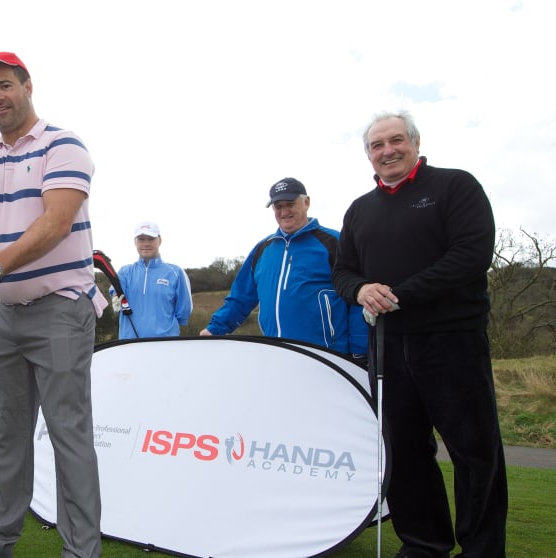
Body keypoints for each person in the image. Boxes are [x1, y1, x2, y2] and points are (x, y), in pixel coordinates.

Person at [0, 51, 104, 558]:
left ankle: (80, 551)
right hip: (7, 316)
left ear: (28, 86)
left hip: (61, 308)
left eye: (5, 85)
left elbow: (55, 223)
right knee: (7, 436)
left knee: (68, 436)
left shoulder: (65, 144)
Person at [332, 110, 507, 558]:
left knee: (474, 452)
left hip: (451, 340)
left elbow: (470, 254)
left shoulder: (455, 187)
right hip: (388, 345)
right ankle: (424, 543)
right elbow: (344, 272)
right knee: (405, 453)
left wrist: (400, 295)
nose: (387, 151)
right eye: (377, 145)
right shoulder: (359, 210)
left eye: (395, 141)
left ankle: (482, 549)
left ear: (414, 142)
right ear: (368, 155)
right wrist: (361, 290)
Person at [199, 178, 368, 364]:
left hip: (328, 358)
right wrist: (214, 329)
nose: (284, 211)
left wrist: (360, 351)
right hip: (275, 355)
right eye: (278, 206)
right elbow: (241, 298)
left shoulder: (335, 243)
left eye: (290, 204)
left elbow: (358, 297)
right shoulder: (262, 249)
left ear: (307, 202)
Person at [110, 220, 192, 339]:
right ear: (135, 242)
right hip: (129, 345)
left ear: (160, 240)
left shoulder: (175, 272)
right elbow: (115, 295)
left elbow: (183, 311)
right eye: (141, 239)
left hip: (166, 345)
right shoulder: (124, 272)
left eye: (151, 239)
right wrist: (115, 296)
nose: (146, 244)